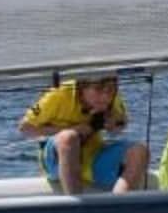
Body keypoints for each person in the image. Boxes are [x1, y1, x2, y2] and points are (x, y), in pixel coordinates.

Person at [18, 75, 148, 194]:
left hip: (92, 159)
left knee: (139, 151)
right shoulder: (57, 94)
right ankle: (77, 209)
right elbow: (25, 128)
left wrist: (113, 123)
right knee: (69, 137)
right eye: (98, 89)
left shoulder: (113, 97)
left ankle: (120, 207)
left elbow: (121, 123)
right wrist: (73, 129)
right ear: (82, 87)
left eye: (110, 91)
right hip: (57, 161)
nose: (105, 97)